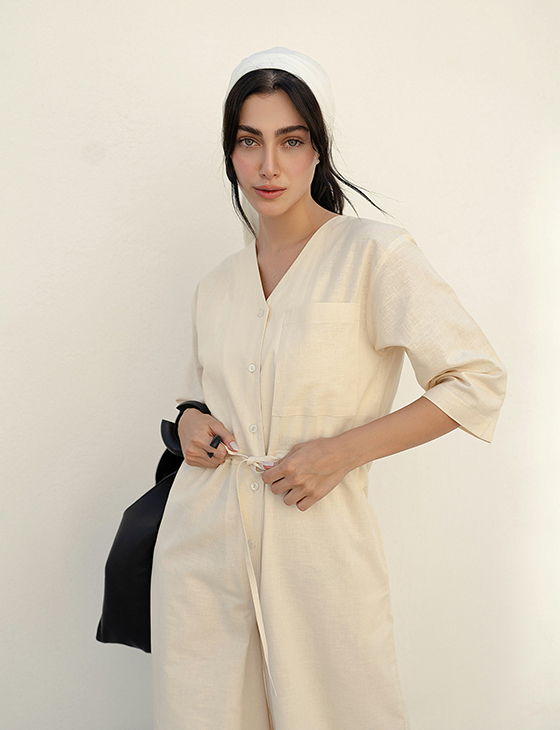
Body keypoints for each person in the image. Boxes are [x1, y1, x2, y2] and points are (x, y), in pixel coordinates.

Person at [150, 47, 507, 730]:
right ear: (230, 153)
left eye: (291, 140)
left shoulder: (374, 254)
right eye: (249, 141)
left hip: (320, 554)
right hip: (202, 555)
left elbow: (476, 379)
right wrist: (190, 421)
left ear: (318, 148)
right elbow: (198, 396)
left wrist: (341, 452)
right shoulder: (216, 285)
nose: (268, 165)